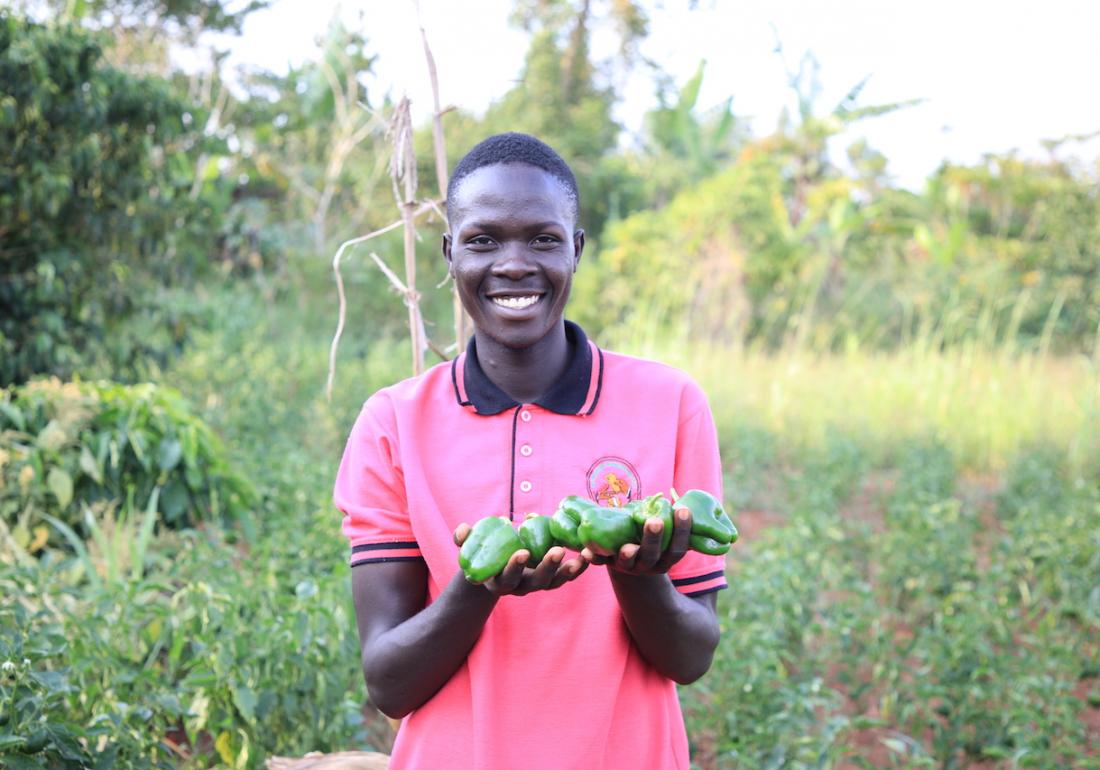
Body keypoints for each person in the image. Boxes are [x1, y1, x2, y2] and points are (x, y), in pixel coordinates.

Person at [334, 133, 728, 770]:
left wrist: (635, 574)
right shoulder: (393, 423)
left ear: (576, 250)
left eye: (543, 239)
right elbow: (389, 683)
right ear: (449, 253)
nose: (513, 264)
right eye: (483, 239)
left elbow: (690, 659)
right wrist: (478, 586)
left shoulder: (670, 404)